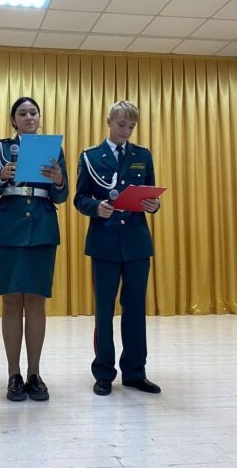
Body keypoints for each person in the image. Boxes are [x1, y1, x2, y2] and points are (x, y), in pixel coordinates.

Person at [0, 97, 69, 402]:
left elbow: (61, 196)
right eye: (23, 113)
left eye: (33, 112)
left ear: (39, 118)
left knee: (36, 302)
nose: (29, 117)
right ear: (13, 120)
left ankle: (34, 373)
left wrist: (59, 181)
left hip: (41, 229)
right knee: (10, 302)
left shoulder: (53, 149)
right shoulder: (0, 149)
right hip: (7, 230)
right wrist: (0, 176)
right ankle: (13, 375)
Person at [74, 100, 162, 396]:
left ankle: (135, 372)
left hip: (136, 243)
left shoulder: (142, 155)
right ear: (109, 122)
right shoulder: (90, 156)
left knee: (135, 309)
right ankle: (103, 372)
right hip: (105, 243)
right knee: (104, 310)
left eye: (131, 127)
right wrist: (94, 208)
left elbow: (150, 193)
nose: (126, 131)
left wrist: (154, 205)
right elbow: (79, 198)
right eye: (122, 125)